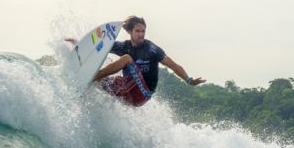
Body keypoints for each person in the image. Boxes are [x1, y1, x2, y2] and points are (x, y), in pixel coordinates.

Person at [70, 16, 205, 107]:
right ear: (130, 31)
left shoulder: (152, 49)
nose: (141, 34)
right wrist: (79, 43)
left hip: (143, 93)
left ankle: (92, 77)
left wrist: (189, 80)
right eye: (137, 31)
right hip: (128, 91)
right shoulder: (123, 46)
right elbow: (101, 45)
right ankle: (82, 96)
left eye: (143, 31)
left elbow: (174, 66)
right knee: (102, 83)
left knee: (127, 59)